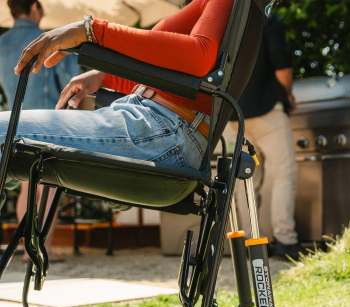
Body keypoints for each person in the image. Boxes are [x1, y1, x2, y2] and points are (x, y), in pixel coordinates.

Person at [0, 0, 234, 184]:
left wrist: (91, 30)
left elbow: (198, 58)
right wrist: (104, 77)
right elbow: (174, 76)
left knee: (2, 132)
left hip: (162, 131)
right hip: (158, 126)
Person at [0, 0, 80, 260]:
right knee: (48, 186)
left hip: (14, 122)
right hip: (48, 122)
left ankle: (27, 248)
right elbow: (71, 82)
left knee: (26, 184)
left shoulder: (1, 43)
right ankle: (40, 248)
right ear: (34, 7)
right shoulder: (50, 41)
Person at [225, 14, 300, 260]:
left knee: (246, 178)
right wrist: (287, 94)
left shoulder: (228, 22)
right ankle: (285, 240)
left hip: (235, 113)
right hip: (267, 110)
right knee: (283, 173)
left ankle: (253, 241)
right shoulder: (267, 20)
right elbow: (282, 67)